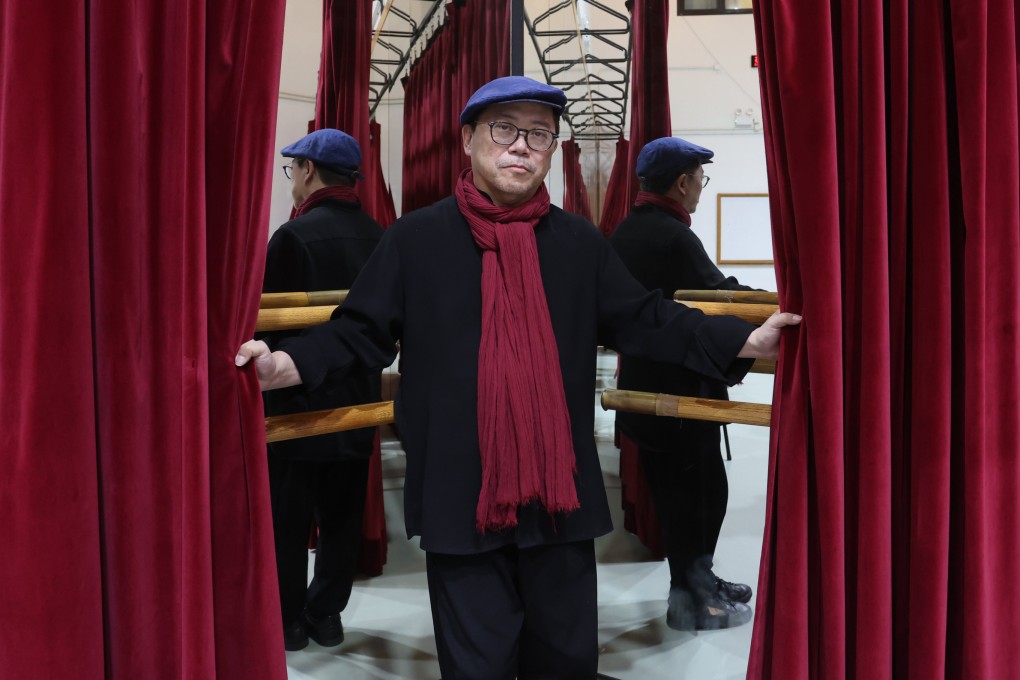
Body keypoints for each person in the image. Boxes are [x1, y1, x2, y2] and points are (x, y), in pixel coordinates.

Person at [236, 76, 800, 679]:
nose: (521, 146)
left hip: (559, 500)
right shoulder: (415, 241)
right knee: (477, 666)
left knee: (565, 661)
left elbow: (647, 318)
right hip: (461, 498)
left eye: (538, 134)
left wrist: (743, 338)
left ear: (552, 149)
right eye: (504, 129)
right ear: (468, 139)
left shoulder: (578, 243)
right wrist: (284, 365)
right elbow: (357, 332)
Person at [609, 136, 762, 631]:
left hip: (644, 391)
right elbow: (716, 295)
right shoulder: (674, 237)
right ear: (682, 182)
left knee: (676, 496)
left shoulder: (628, 230)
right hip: (682, 396)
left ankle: (699, 583)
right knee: (700, 496)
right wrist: (769, 301)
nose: (700, 188)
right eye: (701, 179)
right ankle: (691, 600)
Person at [260, 128, 384, 651]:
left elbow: (266, 332)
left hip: (297, 407)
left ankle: (288, 622)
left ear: (309, 171)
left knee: (287, 522)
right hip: (357, 403)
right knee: (342, 517)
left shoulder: (293, 236)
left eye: (293, 170)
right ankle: (326, 615)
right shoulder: (380, 235)